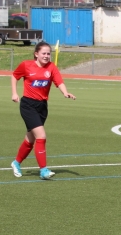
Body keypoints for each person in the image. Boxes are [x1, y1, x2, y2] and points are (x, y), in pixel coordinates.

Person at [10, 42, 75, 180]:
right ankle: (43, 170)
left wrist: (65, 92)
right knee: (41, 136)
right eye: (43, 53)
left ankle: (16, 163)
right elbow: (14, 76)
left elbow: (59, 82)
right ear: (36, 54)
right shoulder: (26, 65)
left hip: (42, 107)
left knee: (30, 139)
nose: (46, 56)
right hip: (28, 105)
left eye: (48, 53)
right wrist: (14, 93)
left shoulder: (51, 67)